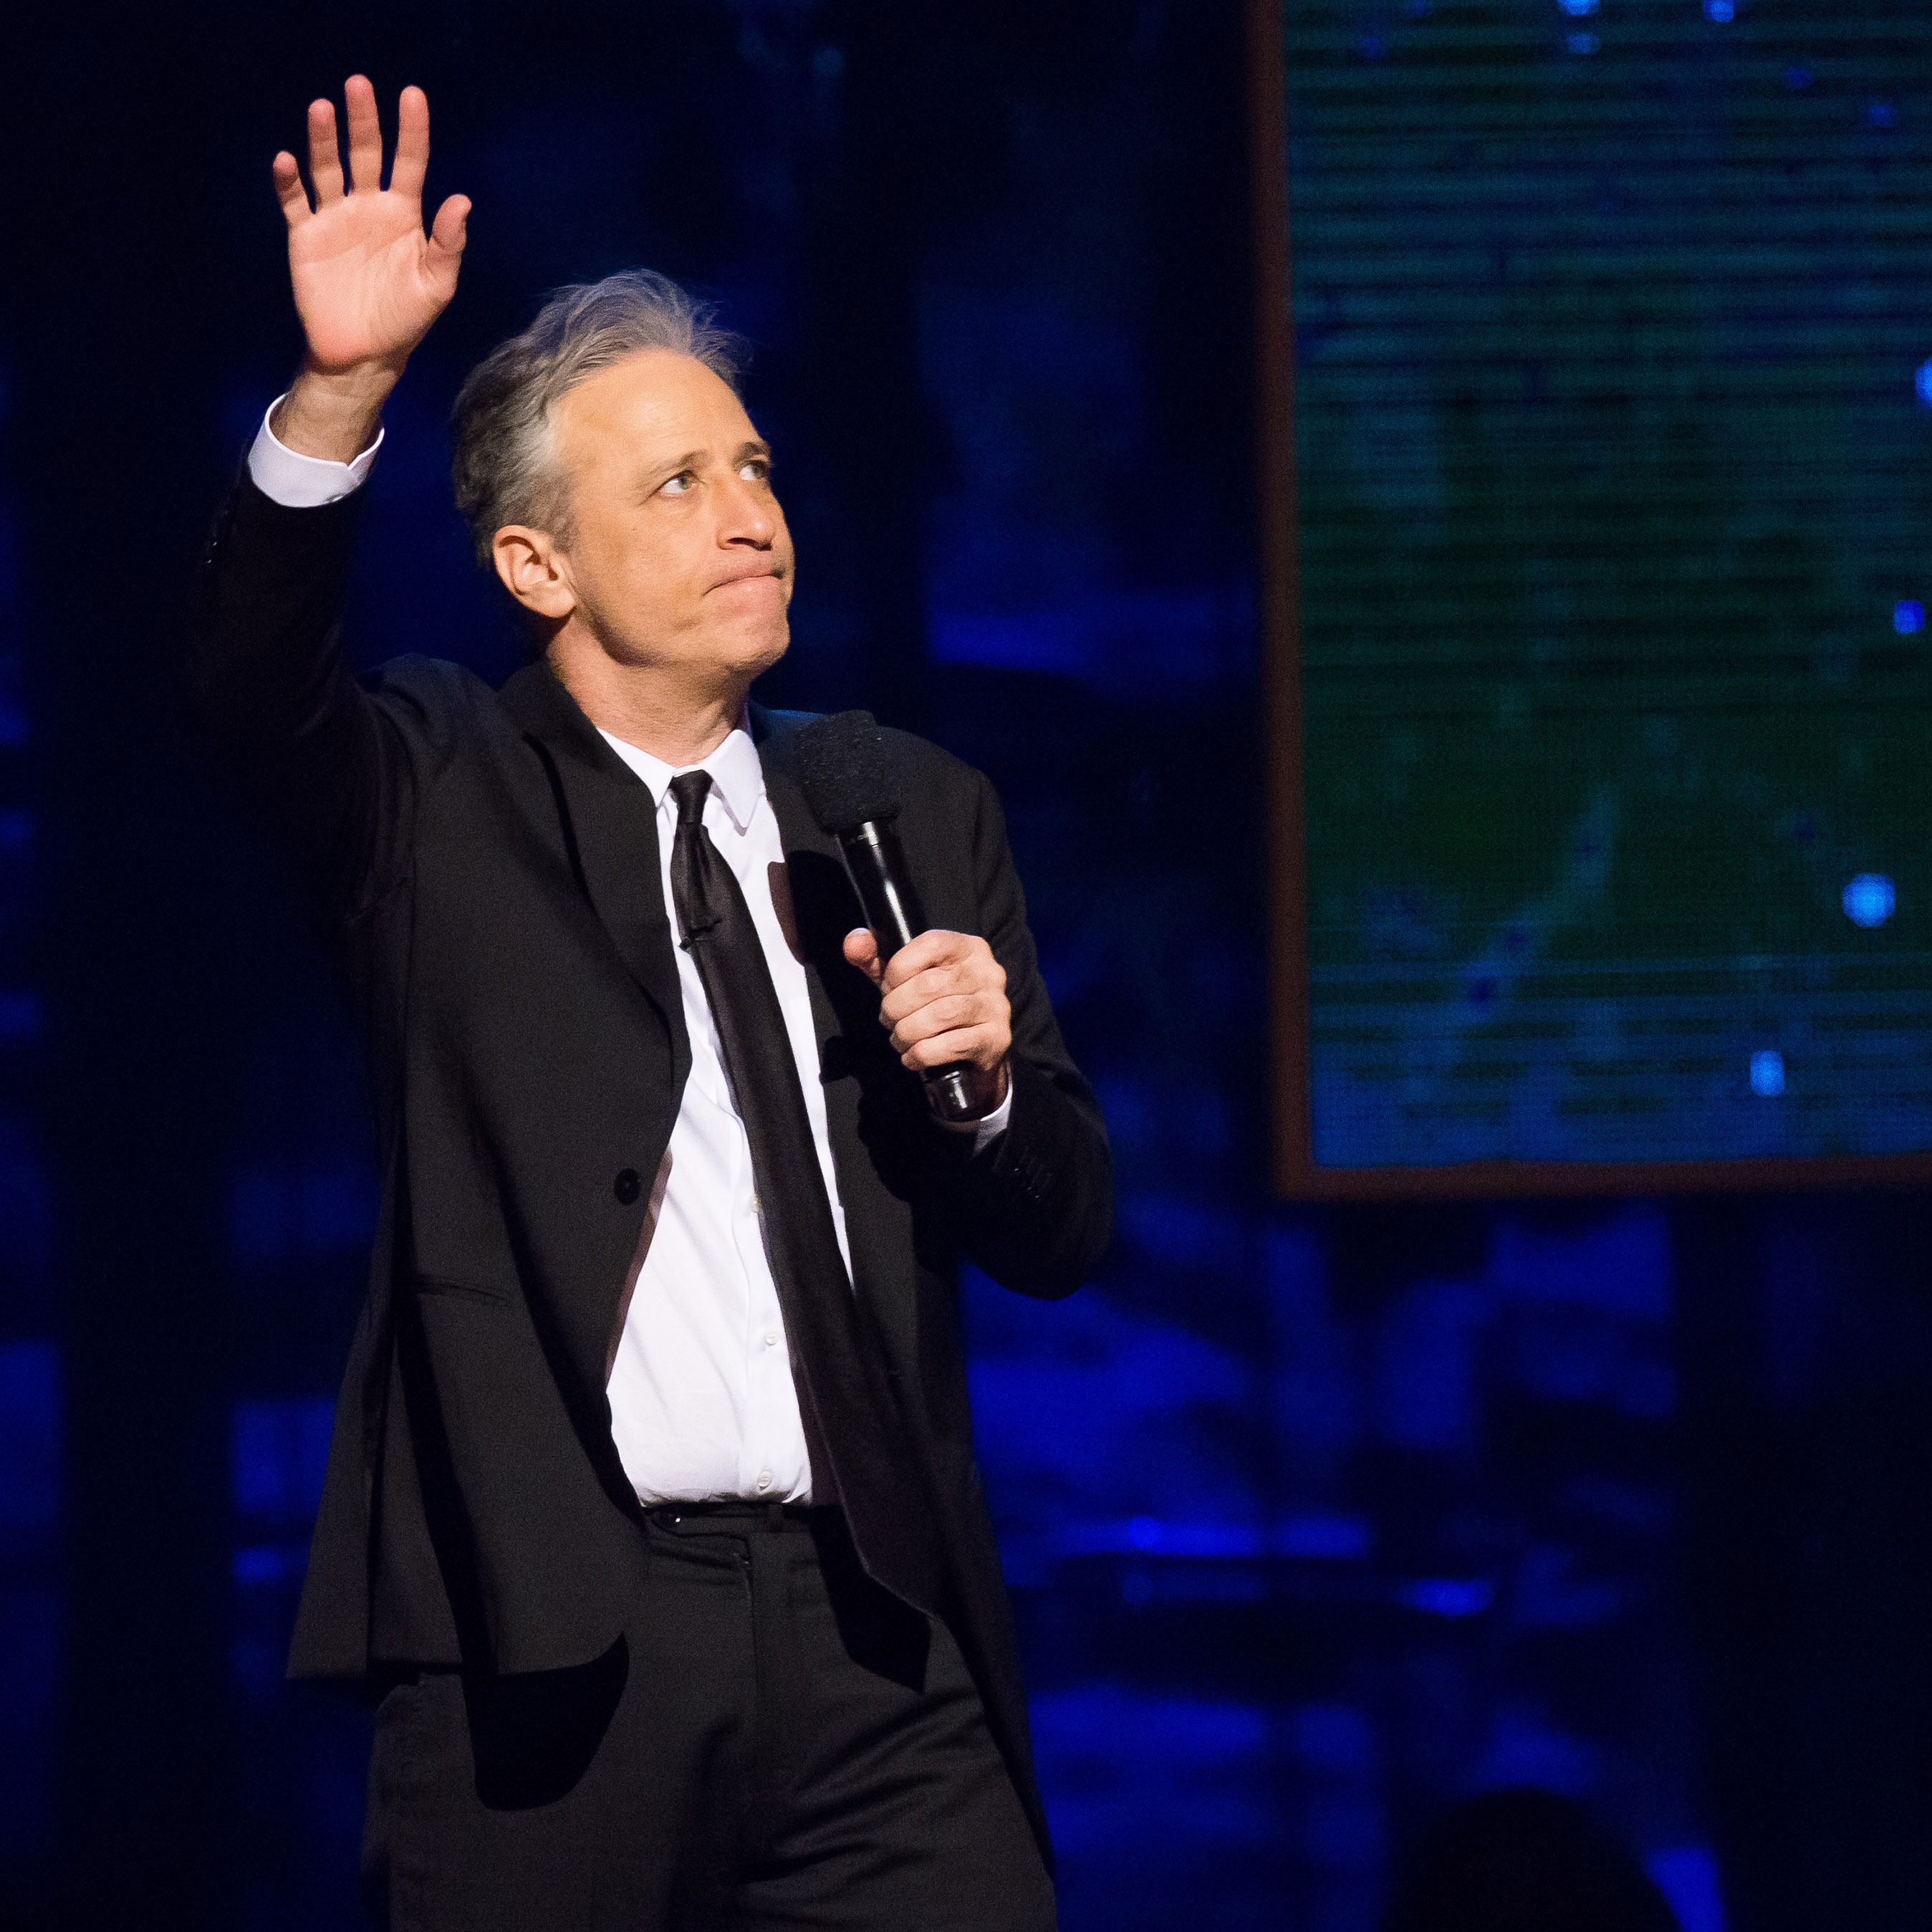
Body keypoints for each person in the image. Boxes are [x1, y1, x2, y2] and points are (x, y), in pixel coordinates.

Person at [186, 75, 1110, 1932]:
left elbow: (1063, 1225)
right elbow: (244, 689)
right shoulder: (439, 795)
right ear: (537, 564)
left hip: (879, 1640)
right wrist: (343, 393)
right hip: (554, 1653)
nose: (746, 514)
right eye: (676, 484)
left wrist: (989, 1088)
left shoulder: (903, 807)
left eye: (753, 469)